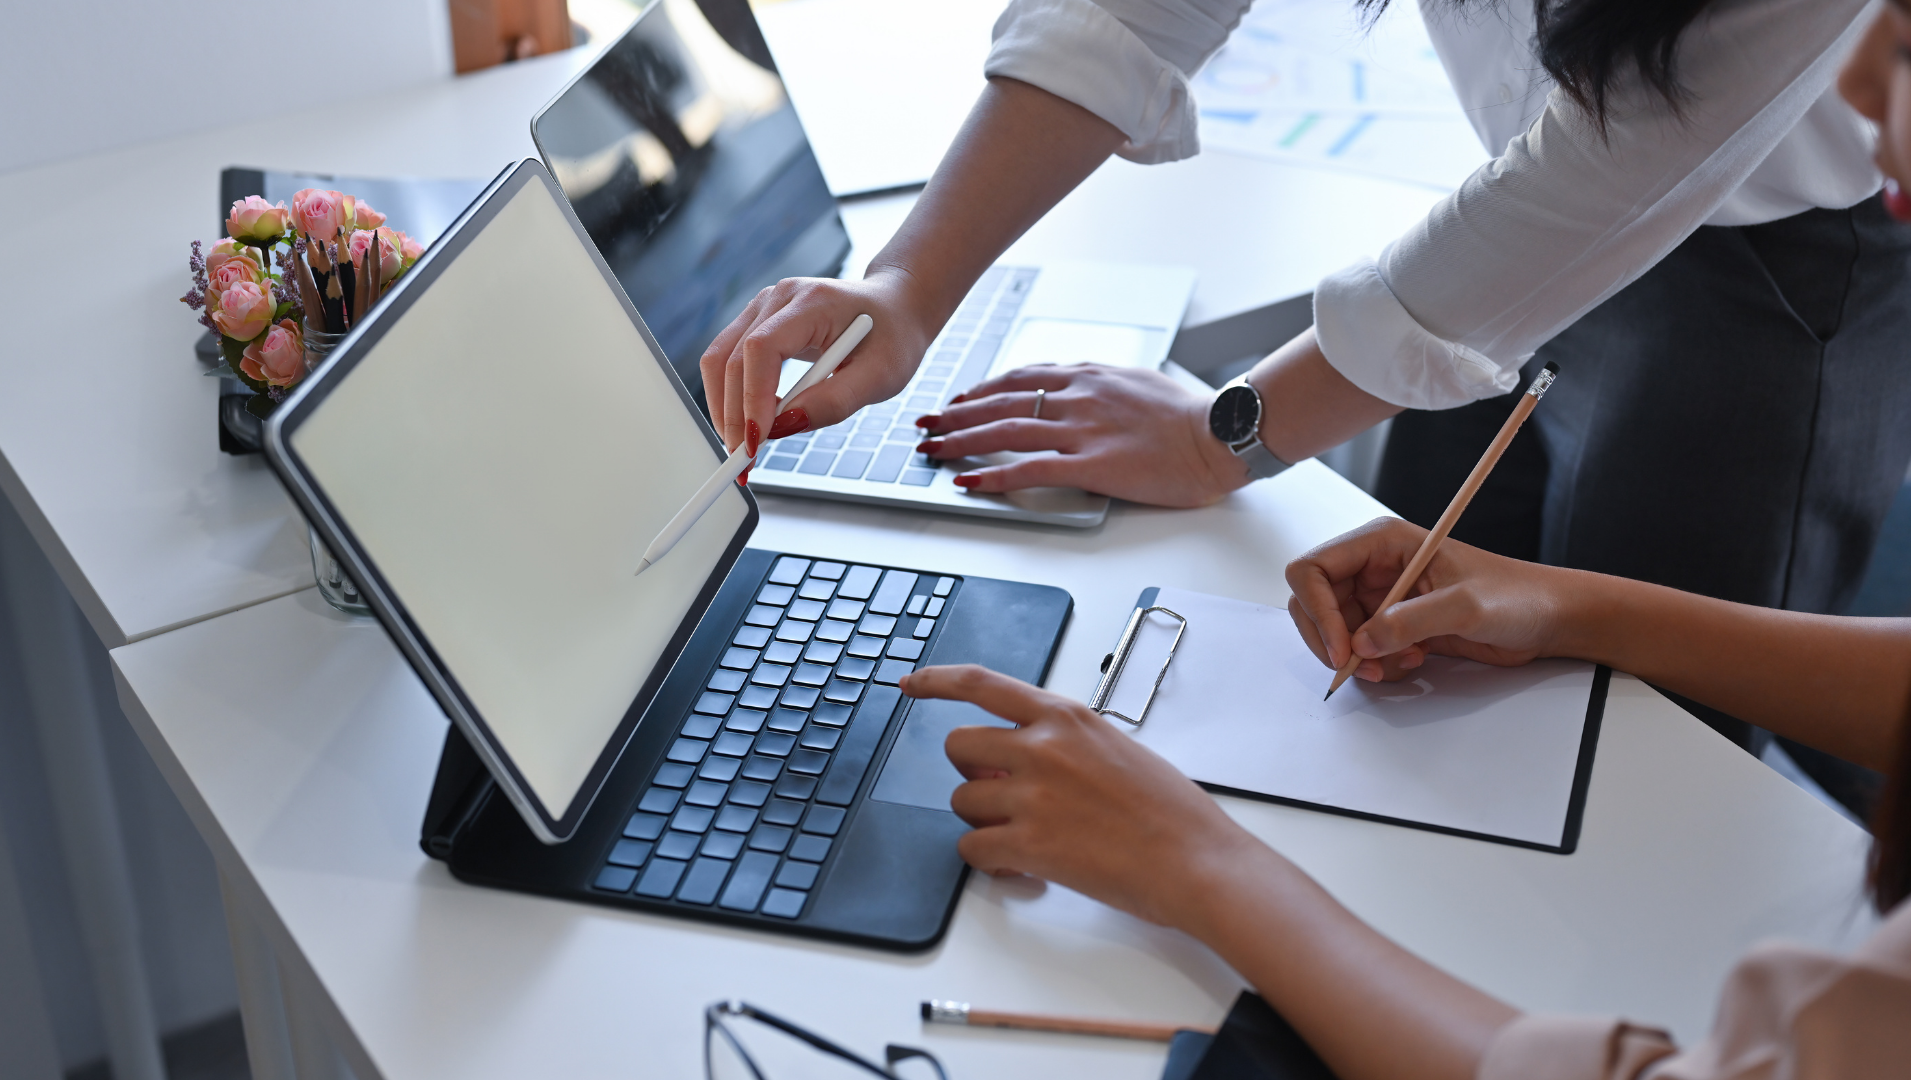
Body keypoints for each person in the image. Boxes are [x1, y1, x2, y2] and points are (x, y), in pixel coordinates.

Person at [869, 8, 1911, 1073]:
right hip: (1517, 198)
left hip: (1742, 260)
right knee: (1439, 730)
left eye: (1906, 34)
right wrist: (1564, 605)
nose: (1858, 76)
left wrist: (1205, 865)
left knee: (1638, 841)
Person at [700, 0, 1911, 754]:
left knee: (1652, 756)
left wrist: (1216, 437)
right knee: (1416, 684)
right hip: (1508, 203)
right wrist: (911, 285)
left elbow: (1595, 184)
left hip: (1767, 280)